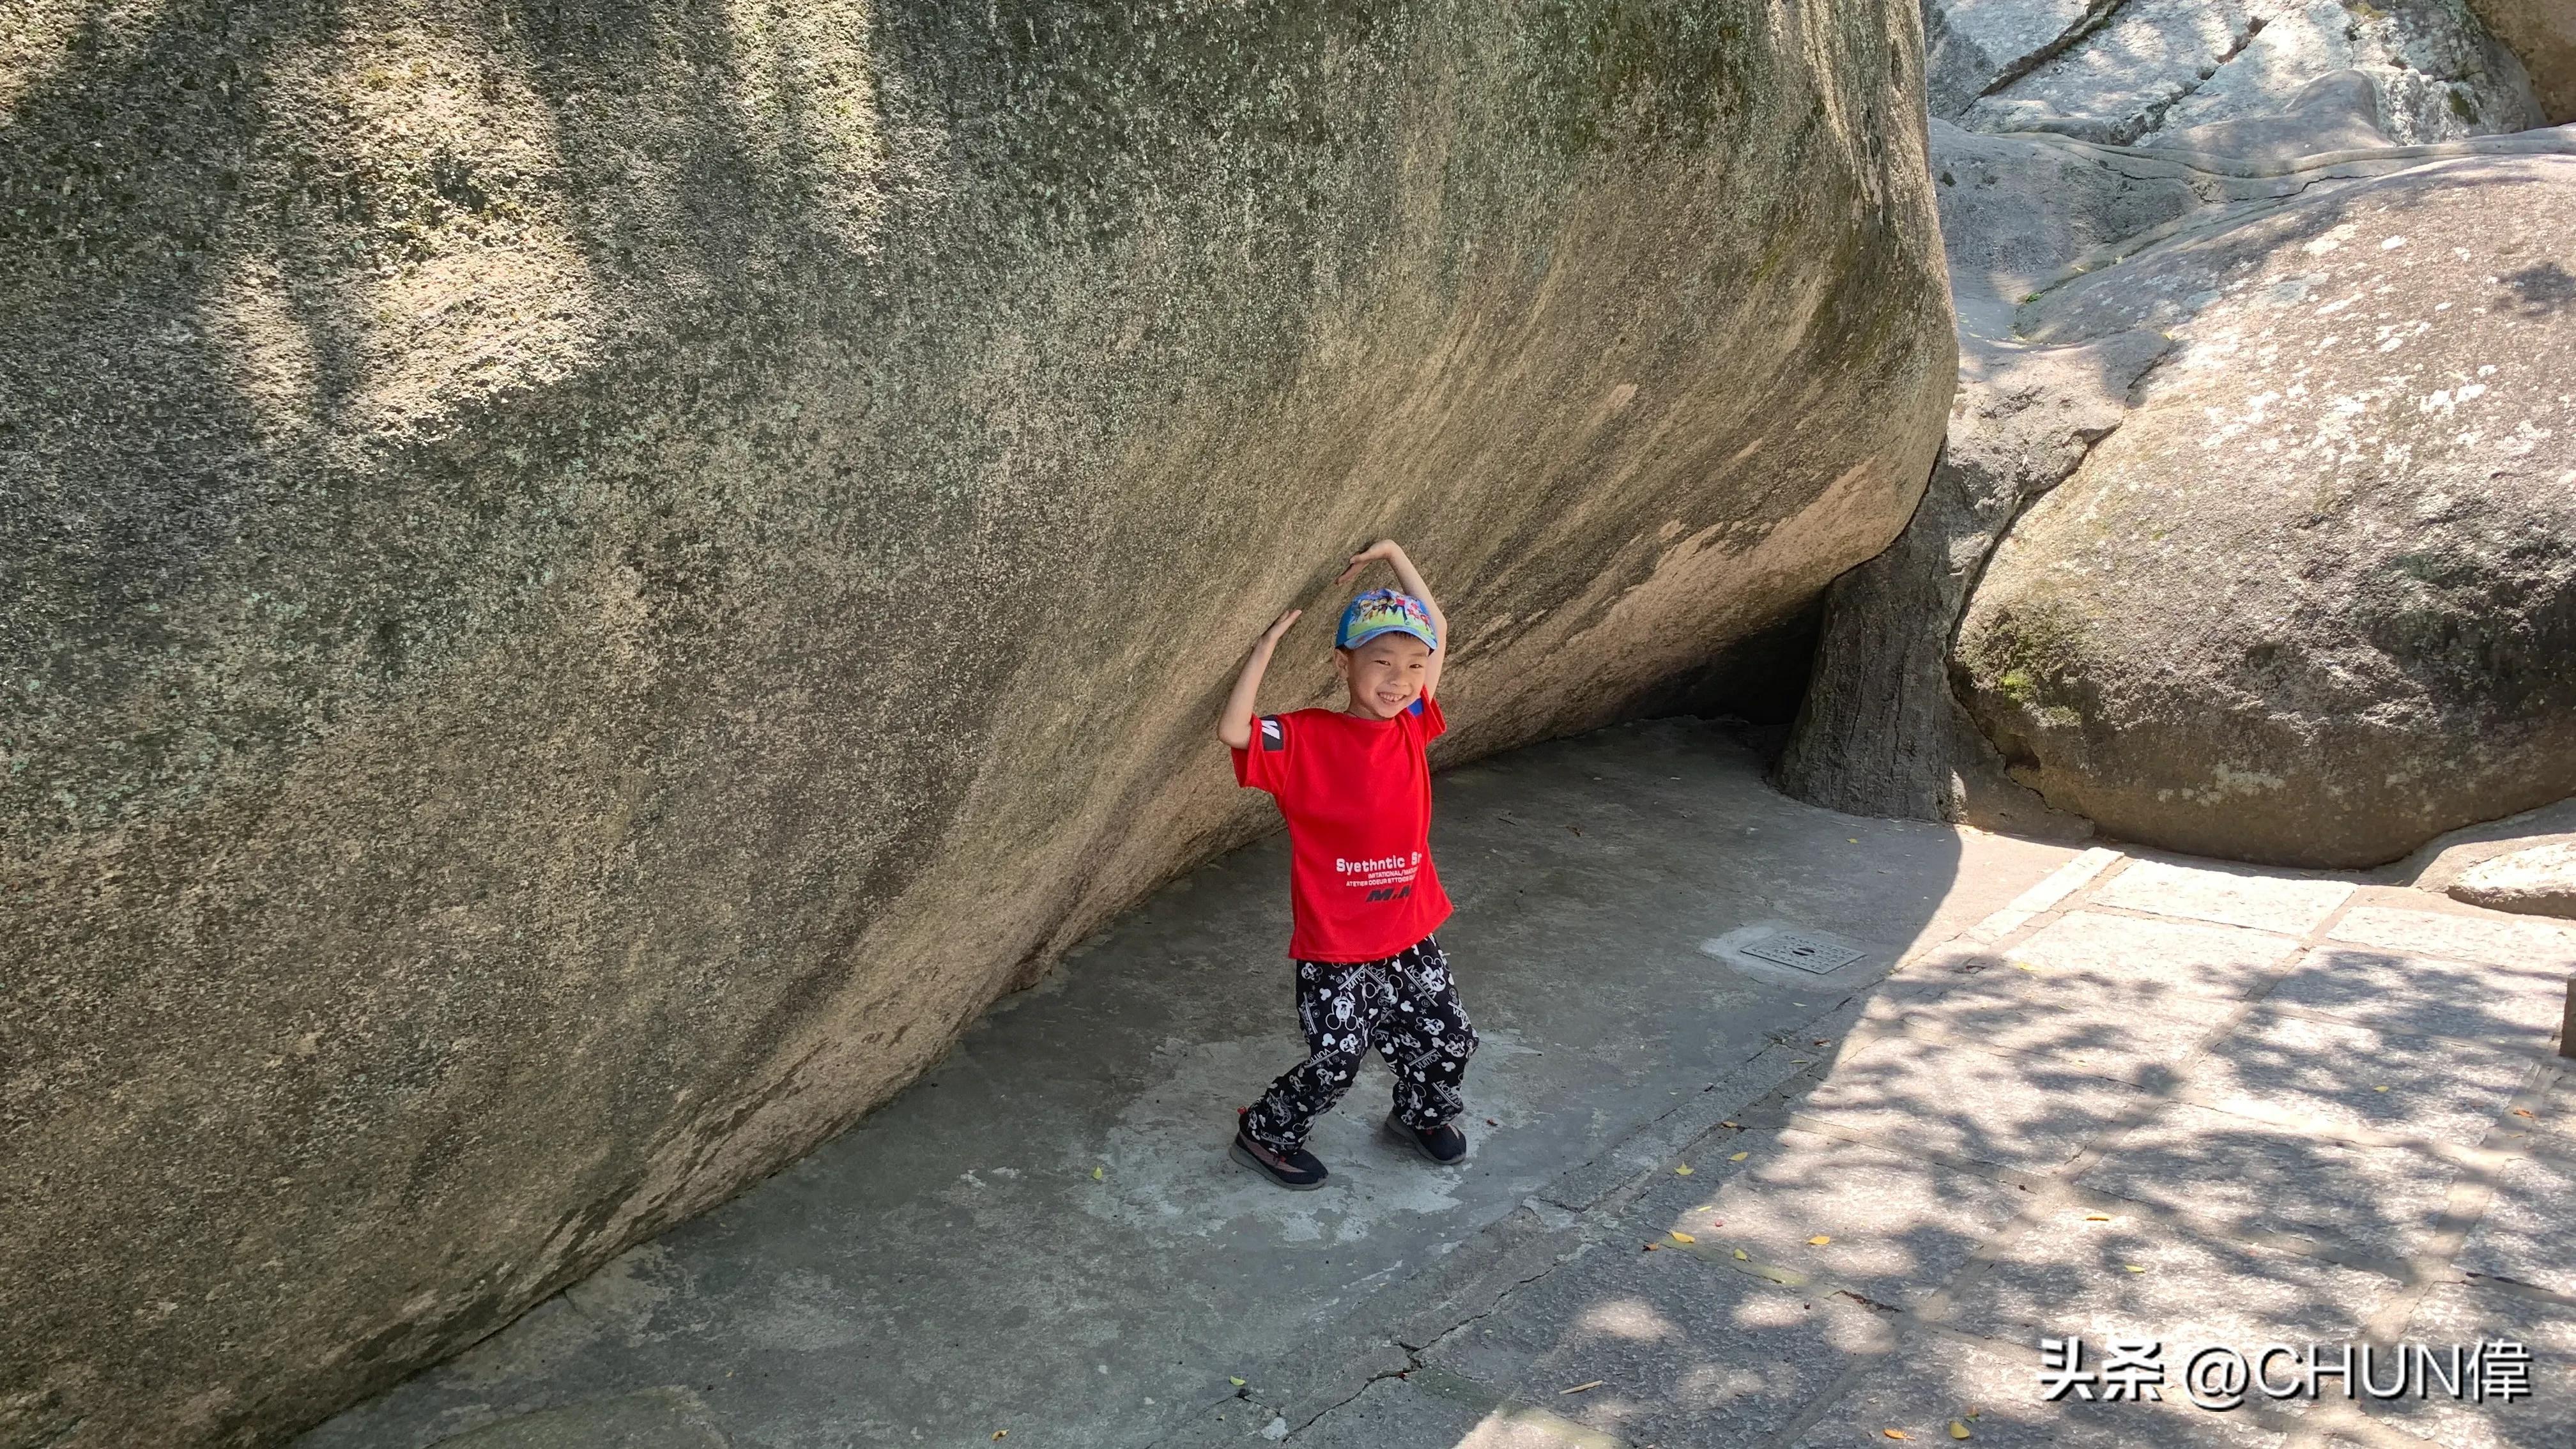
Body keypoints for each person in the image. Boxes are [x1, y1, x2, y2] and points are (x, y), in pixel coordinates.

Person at [1216, 539, 1479, 1190]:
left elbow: (1437, 628)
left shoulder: (1413, 724)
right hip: (1336, 945)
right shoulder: (1307, 737)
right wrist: (1263, 651)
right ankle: (1266, 1133)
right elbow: (1235, 732)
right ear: (1343, 664)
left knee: (1449, 1038)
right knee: (1337, 1060)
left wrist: (1394, 553)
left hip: (1409, 930)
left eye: (1414, 666)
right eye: (1381, 661)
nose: (1400, 679)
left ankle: (1420, 1115)